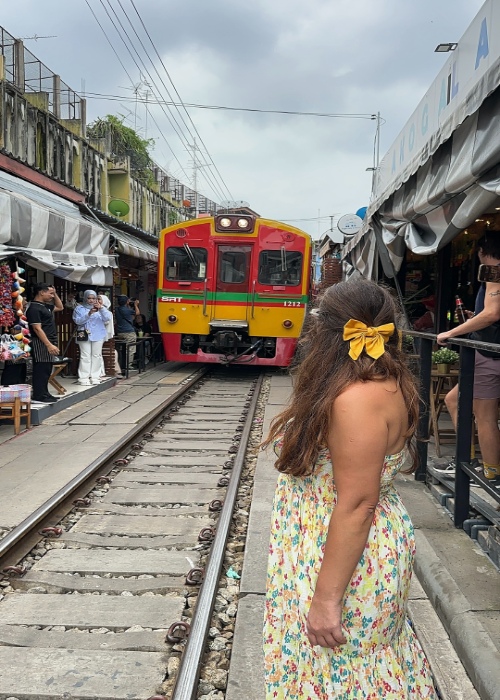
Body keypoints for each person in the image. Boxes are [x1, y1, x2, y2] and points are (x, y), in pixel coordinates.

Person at [262, 279, 437, 699]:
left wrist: (326, 598)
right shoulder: (378, 381)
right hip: (336, 548)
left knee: (342, 674)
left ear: (327, 330)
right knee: (345, 672)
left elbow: (358, 503)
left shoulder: (357, 397)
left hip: (343, 558)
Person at [437, 233, 500, 481]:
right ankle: (468, 460)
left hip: (490, 352)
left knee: (485, 417)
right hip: (490, 349)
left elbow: (493, 313)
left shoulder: (494, 272)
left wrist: (451, 331)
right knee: (454, 400)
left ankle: (490, 475)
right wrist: (477, 318)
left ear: (484, 251)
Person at [26, 283, 63, 403]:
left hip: (49, 340)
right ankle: (38, 395)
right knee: (41, 368)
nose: (52, 296)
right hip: (40, 342)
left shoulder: (45, 306)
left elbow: (60, 307)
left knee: (47, 369)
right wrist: (48, 344)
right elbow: (37, 328)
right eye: (50, 293)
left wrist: (55, 292)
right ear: (41, 292)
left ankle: (44, 392)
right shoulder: (34, 308)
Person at [72, 290, 112, 386]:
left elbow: (107, 318)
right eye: (89, 298)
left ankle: (95, 377)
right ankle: (83, 378)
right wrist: (89, 314)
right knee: (85, 356)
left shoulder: (102, 308)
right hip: (83, 334)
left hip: (98, 334)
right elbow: (77, 321)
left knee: (96, 355)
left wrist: (101, 308)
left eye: (93, 298)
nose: (91, 300)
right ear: (85, 298)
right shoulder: (79, 308)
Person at [97, 293, 122, 379]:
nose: (97, 300)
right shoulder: (94, 310)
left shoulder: (107, 313)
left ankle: (111, 371)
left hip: (101, 338)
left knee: (111, 352)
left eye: (99, 299)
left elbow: (106, 321)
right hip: (96, 337)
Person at [115, 295, 140, 369]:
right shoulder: (128, 310)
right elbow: (137, 313)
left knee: (122, 349)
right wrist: (136, 305)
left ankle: (121, 364)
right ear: (127, 302)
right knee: (130, 349)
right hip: (129, 331)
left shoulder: (116, 309)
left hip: (120, 332)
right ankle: (128, 365)